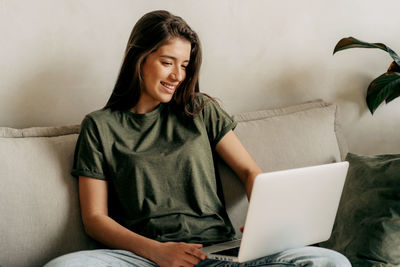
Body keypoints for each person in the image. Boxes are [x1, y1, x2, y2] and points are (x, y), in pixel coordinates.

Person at [45, 10, 351, 267]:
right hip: (144, 257)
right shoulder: (100, 126)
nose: (178, 75)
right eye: (167, 62)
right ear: (139, 58)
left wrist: (267, 225)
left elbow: (248, 171)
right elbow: (95, 218)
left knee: (331, 262)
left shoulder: (200, 110)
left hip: (216, 251)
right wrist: (157, 251)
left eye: (185, 65)